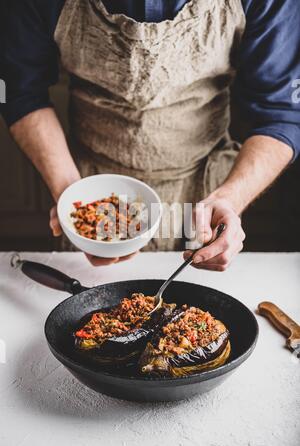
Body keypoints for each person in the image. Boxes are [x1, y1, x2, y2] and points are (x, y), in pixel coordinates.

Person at [1, 0, 300, 269]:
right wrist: (70, 193)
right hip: (89, 185)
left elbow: (281, 111)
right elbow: (19, 92)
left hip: (204, 191)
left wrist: (231, 198)